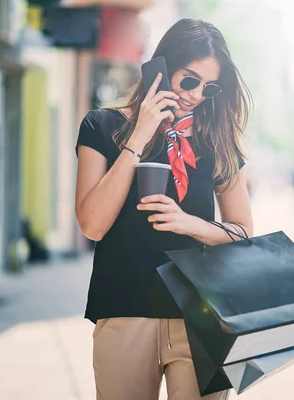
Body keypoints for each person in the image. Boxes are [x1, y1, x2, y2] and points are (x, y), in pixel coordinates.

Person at [75, 19, 253, 400]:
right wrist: (140, 135)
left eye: (210, 87)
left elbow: (242, 232)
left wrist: (192, 225)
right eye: (189, 80)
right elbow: (91, 224)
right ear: (161, 66)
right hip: (126, 309)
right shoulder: (102, 126)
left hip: (201, 316)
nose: (196, 95)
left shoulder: (216, 141)